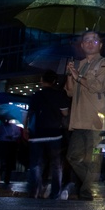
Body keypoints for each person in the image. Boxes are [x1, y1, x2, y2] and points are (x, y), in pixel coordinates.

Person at [64, 30, 105, 200]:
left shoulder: (104, 63)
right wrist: (70, 74)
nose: (90, 42)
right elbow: (70, 93)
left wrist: (77, 76)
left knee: (93, 159)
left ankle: (86, 193)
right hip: (78, 119)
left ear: (100, 45)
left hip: (96, 119)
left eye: (94, 40)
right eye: (86, 40)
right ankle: (91, 183)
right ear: (81, 45)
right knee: (73, 157)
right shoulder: (78, 64)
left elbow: (98, 87)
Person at [24, 70, 70, 199]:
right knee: (56, 165)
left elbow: (30, 114)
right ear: (55, 81)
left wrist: (25, 129)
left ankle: (35, 191)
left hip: (37, 134)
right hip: (54, 133)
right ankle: (55, 193)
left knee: (36, 165)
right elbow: (65, 113)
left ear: (42, 80)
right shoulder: (60, 95)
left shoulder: (36, 95)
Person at [0, 117, 23, 194]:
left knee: (8, 162)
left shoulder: (13, 127)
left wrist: (13, 137)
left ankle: (6, 178)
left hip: (9, 144)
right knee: (1, 163)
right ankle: (1, 177)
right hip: (3, 144)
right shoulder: (0, 127)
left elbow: (18, 135)